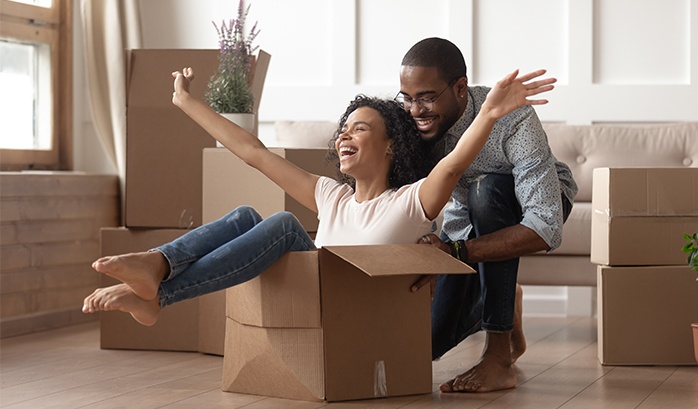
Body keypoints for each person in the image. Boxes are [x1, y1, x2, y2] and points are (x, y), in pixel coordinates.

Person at [82, 66, 557, 328]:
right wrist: (187, 103)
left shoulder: (411, 201)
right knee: (249, 214)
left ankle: (158, 286)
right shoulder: (331, 195)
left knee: (287, 226)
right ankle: (158, 272)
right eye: (342, 130)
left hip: (358, 315)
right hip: (316, 307)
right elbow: (252, 151)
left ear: (392, 144)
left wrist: (490, 112)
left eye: (360, 129)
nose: (344, 138)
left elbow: (452, 166)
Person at [401, 38, 578, 393]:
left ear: (460, 88)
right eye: (407, 98)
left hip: (537, 202)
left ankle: (498, 357)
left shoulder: (511, 115)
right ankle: (504, 297)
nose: (416, 110)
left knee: (487, 191)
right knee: (428, 343)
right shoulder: (411, 123)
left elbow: (545, 226)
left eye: (427, 97)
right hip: (462, 221)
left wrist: (454, 254)